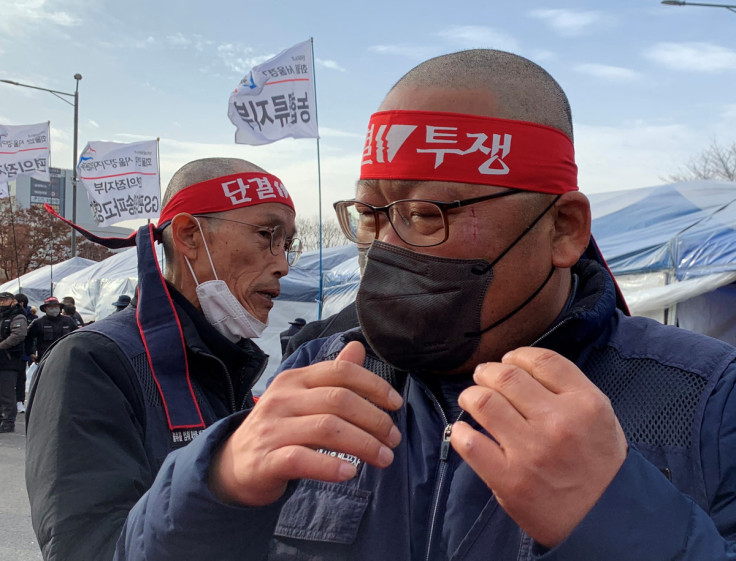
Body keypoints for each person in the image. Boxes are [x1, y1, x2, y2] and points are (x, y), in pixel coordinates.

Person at [113, 50, 736, 560]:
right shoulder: (317, 371)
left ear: (564, 229)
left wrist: (620, 523)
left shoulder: (707, 400)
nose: (385, 247)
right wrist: (216, 482)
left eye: (424, 213)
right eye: (371, 215)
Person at [25, 157, 302, 561]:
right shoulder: (92, 361)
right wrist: (216, 482)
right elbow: (88, 548)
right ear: (189, 235)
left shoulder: (231, 364)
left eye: (288, 245)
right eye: (267, 235)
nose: (282, 265)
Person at [0, 292, 28, 433]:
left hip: (9, 359)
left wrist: (1, 345)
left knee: (7, 392)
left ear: (13, 301)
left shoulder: (18, 316)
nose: (2, 302)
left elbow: (19, 334)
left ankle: (8, 421)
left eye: (5, 300)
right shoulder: (2, 316)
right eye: (0, 300)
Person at [25, 296, 78, 364]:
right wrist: (31, 353)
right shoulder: (38, 323)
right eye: (51, 307)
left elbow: (77, 336)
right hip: (46, 359)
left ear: (60, 307)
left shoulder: (68, 321)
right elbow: (28, 338)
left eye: (56, 306)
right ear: (45, 308)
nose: (54, 309)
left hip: (65, 358)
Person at [13, 292, 32, 413]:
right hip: (10, 352)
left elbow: (31, 338)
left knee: (20, 378)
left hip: (22, 352)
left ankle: (19, 401)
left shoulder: (30, 317)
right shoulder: (8, 314)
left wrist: (30, 353)